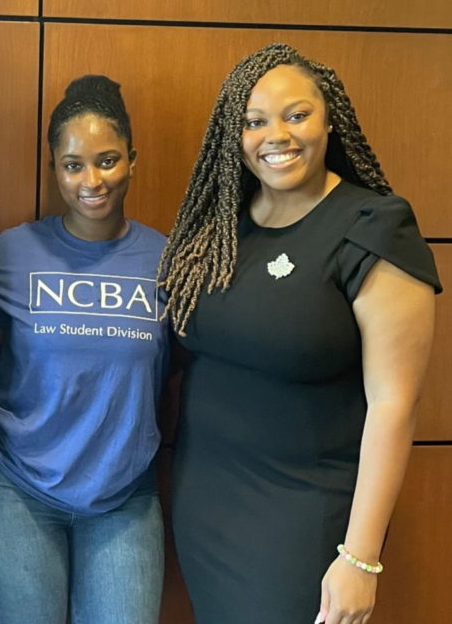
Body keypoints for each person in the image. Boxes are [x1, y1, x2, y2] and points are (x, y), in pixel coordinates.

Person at [159, 43, 441, 624]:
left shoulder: (373, 226)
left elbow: (395, 403)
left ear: (329, 119)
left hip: (302, 516)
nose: (276, 135)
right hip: (205, 503)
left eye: (296, 115)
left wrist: (360, 559)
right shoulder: (221, 230)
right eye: (255, 121)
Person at [0, 75, 168, 624]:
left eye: (107, 160)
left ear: (133, 160)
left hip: (123, 499)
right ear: (55, 167)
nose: (92, 180)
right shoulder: (13, 251)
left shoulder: (166, 259)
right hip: (20, 492)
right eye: (73, 164)